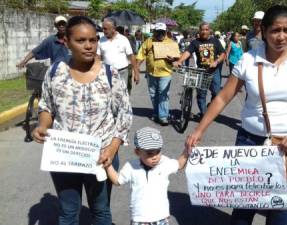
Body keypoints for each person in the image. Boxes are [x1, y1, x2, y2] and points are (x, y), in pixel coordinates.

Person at [185, 5, 287, 225]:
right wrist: (199, 130)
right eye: (275, 30)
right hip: (250, 142)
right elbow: (222, 98)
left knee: (278, 206)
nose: (281, 36)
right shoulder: (249, 59)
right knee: (244, 206)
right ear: (264, 31)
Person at [32, 16, 133, 225]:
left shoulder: (109, 74)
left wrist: (112, 149)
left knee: (101, 211)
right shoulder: (55, 72)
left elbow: (124, 114)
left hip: (102, 155)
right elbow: (46, 107)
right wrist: (42, 126)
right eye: (80, 41)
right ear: (67, 42)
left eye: (93, 40)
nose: (89, 46)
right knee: (68, 213)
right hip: (65, 156)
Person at [106, 127, 189, 225]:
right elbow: (117, 180)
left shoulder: (164, 162)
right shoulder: (131, 166)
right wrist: (108, 166)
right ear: (137, 152)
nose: (155, 157)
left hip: (161, 217)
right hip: (139, 219)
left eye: (158, 151)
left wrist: (187, 150)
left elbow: (179, 164)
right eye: (149, 153)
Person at [173, 22, 226, 118]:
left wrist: (216, 62)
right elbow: (187, 52)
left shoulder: (215, 41)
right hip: (201, 71)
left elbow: (223, 54)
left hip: (214, 71)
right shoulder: (195, 42)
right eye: (202, 30)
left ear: (209, 30)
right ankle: (205, 114)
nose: (204, 31)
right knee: (201, 95)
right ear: (199, 31)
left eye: (206, 29)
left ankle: (210, 106)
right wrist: (180, 61)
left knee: (217, 93)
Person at [136, 23, 178, 126]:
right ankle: (156, 113)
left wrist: (173, 59)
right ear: (154, 32)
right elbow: (141, 54)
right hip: (151, 73)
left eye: (162, 32)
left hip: (165, 73)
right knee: (153, 94)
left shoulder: (171, 43)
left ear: (165, 31)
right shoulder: (149, 41)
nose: (160, 34)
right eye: (158, 31)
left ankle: (163, 116)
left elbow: (177, 57)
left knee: (163, 94)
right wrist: (136, 69)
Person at [97, 17, 140, 94]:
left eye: (105, 29)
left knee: (122, 95)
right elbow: (97, 57)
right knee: (108, 95)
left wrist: (136, 73)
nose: (103, 31)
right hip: (107, 73)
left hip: (122, 72)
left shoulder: (123, 39)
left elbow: (131, 56)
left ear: (113, 28)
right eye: (103, 28)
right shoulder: (101, 40)